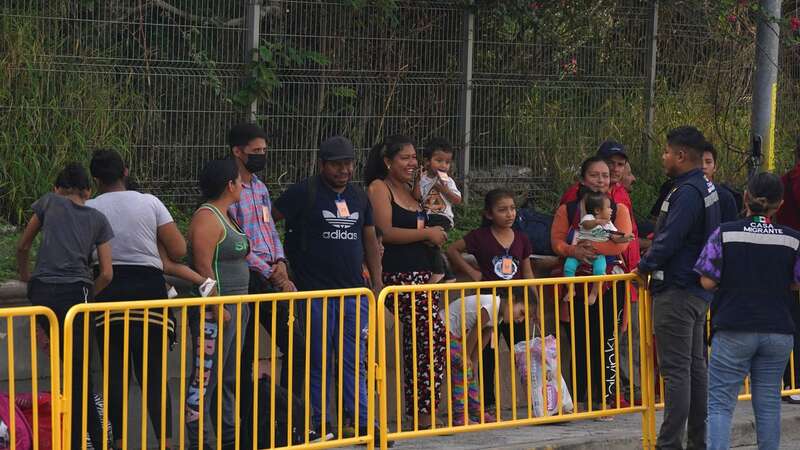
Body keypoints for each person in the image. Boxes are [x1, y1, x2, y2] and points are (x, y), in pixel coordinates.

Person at [273, 136, 383, 440]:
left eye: (348, 163)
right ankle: (318, 422)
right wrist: (280, 262)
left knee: (354, 360)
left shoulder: (360, 197)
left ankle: (360, 421)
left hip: (353, 294)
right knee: (317, 360)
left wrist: (376, 281)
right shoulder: (304, 192)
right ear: (322, 164)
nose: (344, 170)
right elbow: (268, 220)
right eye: (337, 164)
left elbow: (370, 240)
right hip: (315, 294)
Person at [86, 149, 186, 449]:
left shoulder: (89, 208)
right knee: (154, 375)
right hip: (149, 294)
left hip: (108, 294)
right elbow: (179, 250)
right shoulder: (150, 203)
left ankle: (118, 443)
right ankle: (166, 443)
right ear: (125, 172)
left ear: (95, 178)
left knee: (115, 375)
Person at [695, 172, 800, 450]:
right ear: (779, 205)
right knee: (767, 404)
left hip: (733, 327)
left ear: (745, 197)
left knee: (720, 404)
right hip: (778, 330)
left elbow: (707, 279)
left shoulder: (725, 233)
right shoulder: (793, 240)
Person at [16, 163, 112, 449]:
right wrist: (88, 295)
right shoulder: (98, 218)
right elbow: (107, 273)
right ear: (88, 191)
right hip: (77, 295)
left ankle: (79, 438)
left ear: (57, 188)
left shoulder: (47, 203)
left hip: (42, 291)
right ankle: (91, 440)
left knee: (66, 365)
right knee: (80, 375)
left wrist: (26, 278)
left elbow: (22, 246)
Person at [637, 126, 721, 450]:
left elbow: (670, 239)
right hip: (697, 290)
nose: (664, 157)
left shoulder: (686, 192)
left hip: (678, 289)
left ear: (681, 155)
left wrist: (644, 265)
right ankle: (698, 442)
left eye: (667, 152)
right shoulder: (706, 187)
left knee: (676, 372)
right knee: (694, 367)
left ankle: (669, 444)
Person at [225, 123, 302, 448]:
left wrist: (281, 263)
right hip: (248, 276)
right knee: (242, 355)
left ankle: (289, 420)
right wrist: (269, 272)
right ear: (238, 152)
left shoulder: (260, 187)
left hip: (272, 274)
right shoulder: (229, 189)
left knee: (297, 344)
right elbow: (236, 239)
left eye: (264, 152)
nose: (261, 157)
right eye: (255, 152)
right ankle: (245, 427)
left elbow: (270, 231)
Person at [365, 135, 448, 429]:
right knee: (425, 340)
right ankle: (423, 417)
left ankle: (424, 414)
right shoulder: (379, 188)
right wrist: (427, 235)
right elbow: (384, 232)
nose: (413, 163)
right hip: (398, 277)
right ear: (388, 162)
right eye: (405, 158)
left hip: (424, 275)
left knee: (431, 344)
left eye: (415, 157)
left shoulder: (412, 191)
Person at [551, 156, 633, 411]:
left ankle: (608, 399)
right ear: (582, 179)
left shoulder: (619, 210)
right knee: (578, 340)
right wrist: (573, 252)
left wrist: (587, 247)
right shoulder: (568, 209)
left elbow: (622, 243)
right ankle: (577, 399)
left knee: (607, 339)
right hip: (577, 280)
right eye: (595, 175)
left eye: (605, 175)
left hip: (608, 282)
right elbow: (556, 242)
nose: (600, 180)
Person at [446, 188, 535, 412]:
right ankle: (486, 403)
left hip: (514, 305)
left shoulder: (522, 238)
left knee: (525, 352)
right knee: (486, 354)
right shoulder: (479, 236)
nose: (509, 214)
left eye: (513, 208)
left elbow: (527, 271)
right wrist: (472, 272)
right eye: (502, 210)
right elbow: (452, 250)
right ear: (489, 214)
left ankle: (538, 400)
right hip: (489, 303)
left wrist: (534, 301)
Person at [185, 159, 252, 449]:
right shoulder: (207, 217)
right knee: (205, 378)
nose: (243, 185)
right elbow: (202, 268)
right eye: (239, 181)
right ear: (230, 185)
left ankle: (227, 437)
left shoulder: (227, 215)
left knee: (226, 375)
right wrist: (216, 307)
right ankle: (199, 440)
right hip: (217, 311)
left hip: (237, 307)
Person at [442, 287, 527, 426]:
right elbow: (475, 332)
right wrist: (466, 356)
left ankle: (475, 412)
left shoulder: (499, 315)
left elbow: (486, 335)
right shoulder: (492, 305)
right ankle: (460, 416)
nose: (520, 320)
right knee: (462, 368)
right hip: (444, 330)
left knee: (470, 371)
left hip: (457, 335)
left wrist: (473, 360)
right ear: (511, 300)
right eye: (521, 312)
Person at [413, 137, 462, 283]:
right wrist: (416, 181)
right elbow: (416, 198)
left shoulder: (448, 181)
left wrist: (444, 189)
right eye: (439, 161)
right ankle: (449, 275)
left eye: (447, 162)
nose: (443, 166)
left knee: (430, 239)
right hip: (426, 216)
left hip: (442, 216)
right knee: (427, 242)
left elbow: (457, 199)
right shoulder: (422, 179)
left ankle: (439, 271)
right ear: (427, 161)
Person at [775, 138, 800, 402]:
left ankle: (791, 383)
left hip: (787, 258)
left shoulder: (784, 180)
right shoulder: (791, 181)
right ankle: (793, 384)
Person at [563, 190, 633, 281]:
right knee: (568, 267)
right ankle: (571, 290)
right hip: (580, 250)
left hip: (598, 254)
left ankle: (594, 292)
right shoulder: (589, 217)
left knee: (600, 271)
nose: (611, 210)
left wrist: (625, 238)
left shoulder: (608, 224)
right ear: (597, 210)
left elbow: (614, 237)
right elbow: (586, 225)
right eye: (608, 207)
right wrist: (598, 222)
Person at [701, 141, 740, 222]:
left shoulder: (726, 198)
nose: (703, 166)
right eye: (699, 162)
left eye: (708, 162)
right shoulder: (684, 193)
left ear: (715, 167)